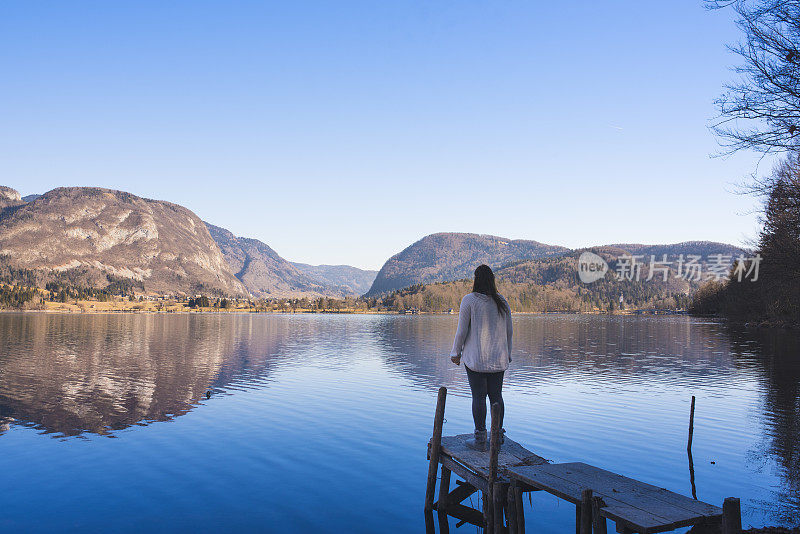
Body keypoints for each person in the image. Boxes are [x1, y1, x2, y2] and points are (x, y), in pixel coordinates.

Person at [450, 264, 512, 451]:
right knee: (496, 397)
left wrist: (455, 353)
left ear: (476, 280)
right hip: (498, 359)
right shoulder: (502, 301)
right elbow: (509, 331)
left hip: (476, 360)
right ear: (492, 280)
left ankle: (479, 440)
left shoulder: (469, 300)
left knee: (478, 397)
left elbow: (462, 331)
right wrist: (508, 354)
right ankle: (497, 438)